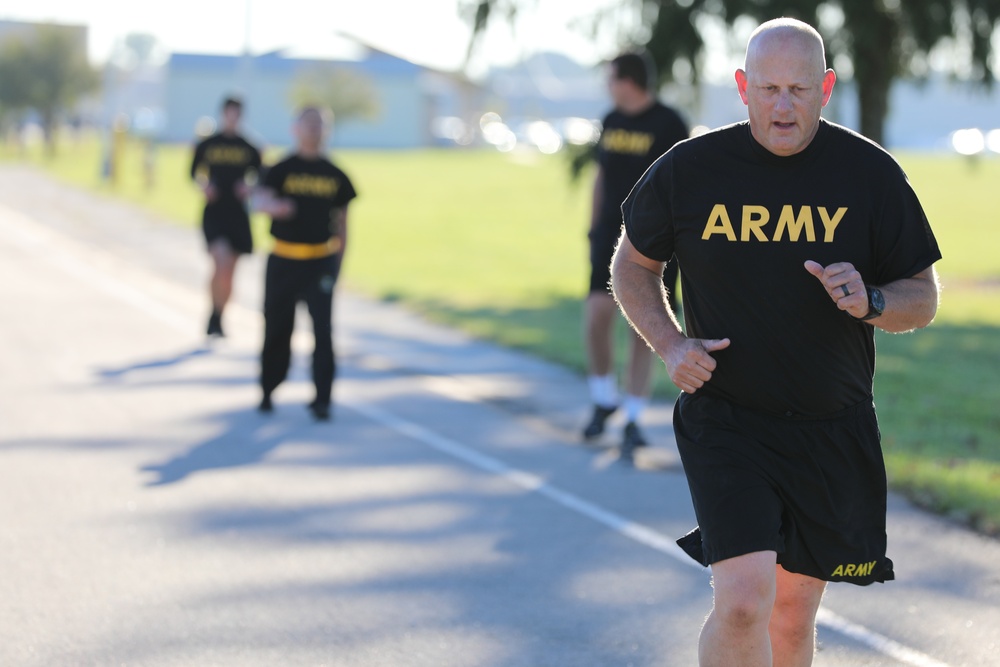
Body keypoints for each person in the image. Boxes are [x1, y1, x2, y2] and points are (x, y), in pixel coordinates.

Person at [611, 18, 941, 667]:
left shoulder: (870, 175)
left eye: (798, 89)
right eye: (768, 89)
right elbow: (632, 265)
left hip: (829, 424)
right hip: (727, 417)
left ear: (826, 86)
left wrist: (872, 299)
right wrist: (671, 344)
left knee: (791, 613)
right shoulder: (690, 171)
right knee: (742, 598)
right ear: (742, 86)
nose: (783, 106)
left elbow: (921, 298)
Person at [583, 51, 689, 452]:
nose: (608, 86)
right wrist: (592, 228)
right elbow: (602, 177)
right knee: (596, 312)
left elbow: (683, 185)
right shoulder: (610, 121)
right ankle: (602, 397)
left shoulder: (669, 123)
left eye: (611, 78)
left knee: (642, 324)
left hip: (655, 240)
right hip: (608, 234)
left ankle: (633, 415)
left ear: (628, 81)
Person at [253, 107, 357, 421]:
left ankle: (322, 399)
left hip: (319, 262)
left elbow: (343, 223)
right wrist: (275, 207)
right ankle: (269, 388)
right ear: (295, 129)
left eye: (320, 125)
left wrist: (338, 264)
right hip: (284, 259)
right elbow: (258, 201)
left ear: (327, 130)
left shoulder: (335, 174)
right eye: (308, 124)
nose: (314, 130)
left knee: (323, 333)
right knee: (277, 328)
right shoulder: (281, 169)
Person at [189, 96, 263, 337]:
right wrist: (205, 186)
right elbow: (193, 173)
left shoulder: (249, 147)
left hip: (237, 214)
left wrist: (248, 188)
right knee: (219, 262)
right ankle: (212, 311)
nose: (232, 117)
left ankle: (219, 316)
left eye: (237, 114)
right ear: (223, 114)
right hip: (215, 212)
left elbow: (261, 177)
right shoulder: (208, 144)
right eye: (229, 113)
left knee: (230, 270)